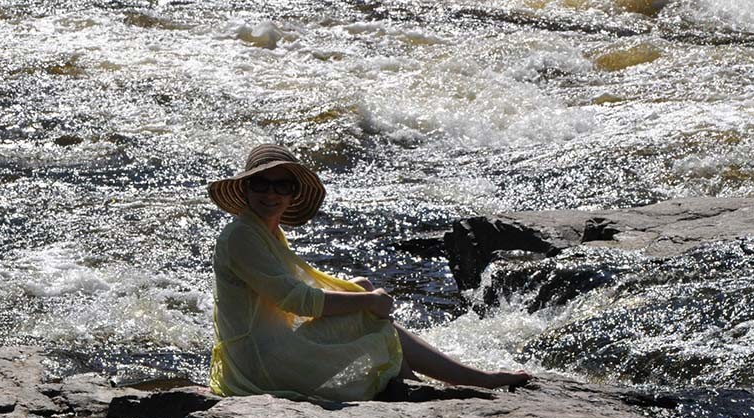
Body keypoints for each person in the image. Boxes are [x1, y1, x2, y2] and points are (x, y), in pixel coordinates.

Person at [206, 144, 531, 401]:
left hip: (267, 352)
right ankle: (450, 383)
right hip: (258, 367)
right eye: (260, 183)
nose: (271, 193)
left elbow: (299, 287)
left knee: (360, 289)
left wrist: (361, 293)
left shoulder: (266, 231)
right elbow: (297, 300)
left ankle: (416, 386)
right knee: (371, 316)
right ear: (246, 189)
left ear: (293, 194)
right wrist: (368, 303)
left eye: (282, 185)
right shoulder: (242, 236)